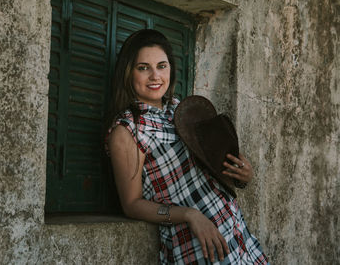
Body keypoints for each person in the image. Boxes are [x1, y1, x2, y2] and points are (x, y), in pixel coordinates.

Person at [105, 29, 269, 265]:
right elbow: (132, 205)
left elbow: (216, 166)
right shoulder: (128, 129)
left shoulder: (182, 109)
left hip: (237, 234)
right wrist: (189, 215)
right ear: (128, 72)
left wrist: (244, 174)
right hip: (196, 245)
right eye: (143, 68)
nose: (155, 76)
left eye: (162, 66)